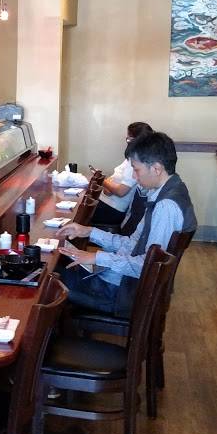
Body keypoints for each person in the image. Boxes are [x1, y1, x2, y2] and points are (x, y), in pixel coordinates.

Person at [56, 132, 197, 315]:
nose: (135, 178)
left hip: (123, 294)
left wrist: (97, 257)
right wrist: (89, 232)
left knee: (49, 279)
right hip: (123, 284)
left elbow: (148, 265)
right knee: (59, 267)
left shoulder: (166, 206)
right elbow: (133, 243)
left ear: (156, 168)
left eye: (136, 170)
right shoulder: (167, 191)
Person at [92, 122, 153, 233]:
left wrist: (102, 180)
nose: (127, 141)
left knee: (79, 212)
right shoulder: (132, 158)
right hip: (107, 203)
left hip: (112, 209)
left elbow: (121, 191)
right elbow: (111, 187)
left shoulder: (136, 161)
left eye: (128, 139)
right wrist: (107, 184)